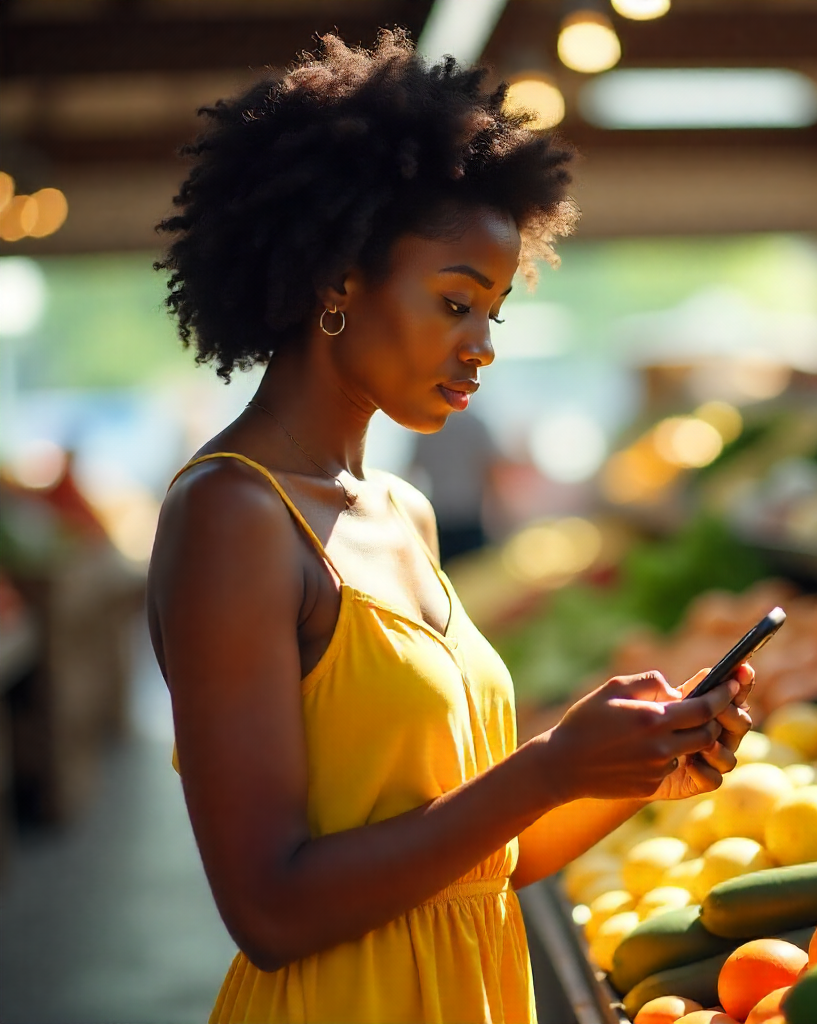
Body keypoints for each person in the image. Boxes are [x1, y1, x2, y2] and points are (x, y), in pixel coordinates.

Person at [147, 30, 753, 1024]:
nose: (479, 349)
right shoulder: (232, 515)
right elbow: (270, 906)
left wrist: (634, 771)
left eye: (494, 314)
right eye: (455, 303)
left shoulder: (402, 511)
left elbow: (480, 862)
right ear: (337, 278)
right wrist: (548, 764)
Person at [409, 408, 498, 563]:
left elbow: (414, 471)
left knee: (444, 576)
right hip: (469, 516)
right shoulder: (475, 424)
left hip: (439, 516)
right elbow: (489, 472)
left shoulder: (426, 428)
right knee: (472, 575)